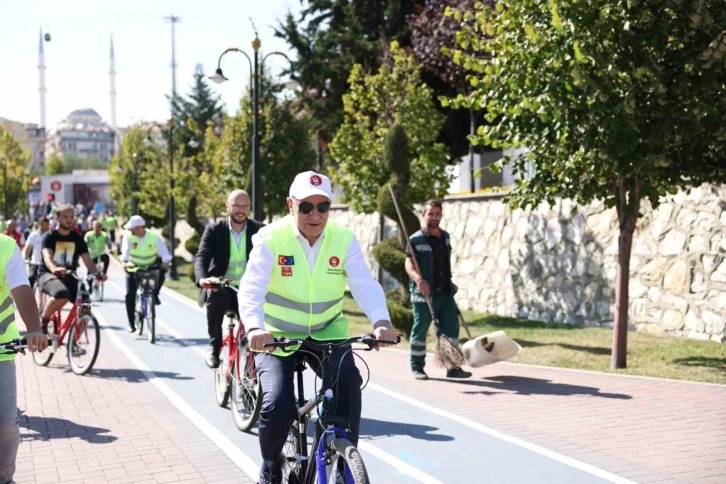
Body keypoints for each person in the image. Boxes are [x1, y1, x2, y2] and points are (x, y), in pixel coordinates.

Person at [238, 171, 398, 484]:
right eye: (306, 207)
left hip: (328, 331)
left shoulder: (342, 238)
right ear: (290, 205)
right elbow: (251, 287)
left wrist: (381, 320)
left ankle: (339, 453)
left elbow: (364, 283)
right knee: (277, 402)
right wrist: (255, 328)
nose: (315, 215)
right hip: (277, 336)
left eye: (323, 207)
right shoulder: (271, 237)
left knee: (348, 386)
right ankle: (270, 468)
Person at [194, 190, 264, 368]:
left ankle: (253, 361)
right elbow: (202, 256)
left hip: (249, 290)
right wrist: (203, 278)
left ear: (250, 208)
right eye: (236, 205)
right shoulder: (214, 230)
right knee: (216, 295)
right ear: (227, 207)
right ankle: (214, 348)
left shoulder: (260, 230)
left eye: (245, 206)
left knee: (258, 322)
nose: (241, 210)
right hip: (223, 287)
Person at [0, 233, 49, 484]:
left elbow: (21, 289)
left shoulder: (5, 246)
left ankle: (5, 478)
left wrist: (33, 329)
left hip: (0, 351)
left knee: (6, 422)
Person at [405, 200, 471, 380]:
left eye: (437, 214)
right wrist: (418, 279)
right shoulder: (415, 239)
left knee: (452, 328)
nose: (434, 217)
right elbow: (409, 263)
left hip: (445, 292)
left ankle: (453, 367)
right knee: (420, 330)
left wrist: (450, 283)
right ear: (423, 215)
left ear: (441, 215)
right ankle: (417, 367)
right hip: (424, 294)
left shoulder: (445, 237)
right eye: (430, 214)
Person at [38, 205, 105, 333]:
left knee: (85, 304)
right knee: (61, 294)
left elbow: (88, 261)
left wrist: (97, 274)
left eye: (71, 217)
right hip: (48, 275)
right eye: (65, 217)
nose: (69, 220)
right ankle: (44, 320)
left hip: (69, 275)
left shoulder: (77, 238)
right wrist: (54, 269)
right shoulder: (49, 236)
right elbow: (47, 257)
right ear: (57, 218)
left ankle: (73, 343)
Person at [120, 215, 171, 333]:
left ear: (139, 227)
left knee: (163, 269)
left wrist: (166, 262)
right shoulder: (128, 237)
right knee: (130, 294)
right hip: (134, 266)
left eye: (132, 228)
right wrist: (125, 263)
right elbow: (125, 252)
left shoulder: (153, 237)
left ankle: (155, 294)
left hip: (150, 265)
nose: (130, 230)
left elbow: (164, 252)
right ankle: (131, 323)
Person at [22, 217, 50, 289]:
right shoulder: (33, 235)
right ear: (39, 224)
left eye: (47, 224)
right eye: (43, 224)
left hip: (47, 264)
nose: (45, 226)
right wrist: (24, 258)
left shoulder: (50, 235)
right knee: (30, 278)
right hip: (35, 263)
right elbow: (27, 249)